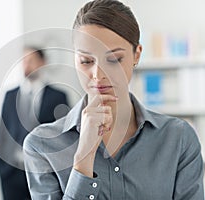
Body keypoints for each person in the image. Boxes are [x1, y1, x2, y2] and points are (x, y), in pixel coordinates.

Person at [23, 0, 204, 199]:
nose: (98, 74)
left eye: (114, 59)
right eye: (86, 61)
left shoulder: (178, 138)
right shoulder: (41, 145)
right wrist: (84, 155)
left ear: (137, 55)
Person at [0, 46, 69, 200]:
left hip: (44, 173)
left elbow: (65, 138)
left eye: (30, 60)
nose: (26, 65)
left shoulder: (58, 97)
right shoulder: (10, 96)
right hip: (11, 174)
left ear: (42, 62)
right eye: (23, 61)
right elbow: (2, 135)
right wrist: (2, 169)